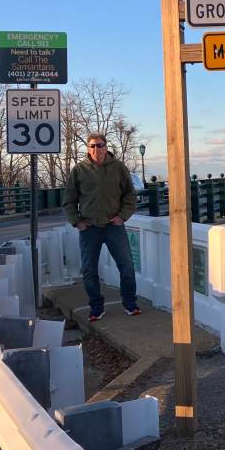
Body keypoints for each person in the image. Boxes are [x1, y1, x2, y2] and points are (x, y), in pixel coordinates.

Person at [63, 132, 141, 321]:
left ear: (106, 147)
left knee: (127, 266)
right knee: (89, 270)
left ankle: (130, 304)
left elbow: (130, 195)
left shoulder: (118, 168)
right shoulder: (79, 170)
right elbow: (69, 200)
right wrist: (77, 222)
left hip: (113, 226)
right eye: (91, 146)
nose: (95, 149)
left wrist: (122, 216)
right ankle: (96, 308)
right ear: (88, 149)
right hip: (89, 228)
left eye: (99, 145)